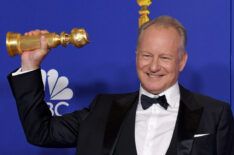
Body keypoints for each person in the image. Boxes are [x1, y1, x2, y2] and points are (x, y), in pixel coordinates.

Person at [8, 15, 234, 155]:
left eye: (164, 58)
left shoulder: (215, 114)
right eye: (146, 55)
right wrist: (30, 64)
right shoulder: (102, 109)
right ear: (136, 56)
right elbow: (41, 132)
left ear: (182, 61)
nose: (153, 66)